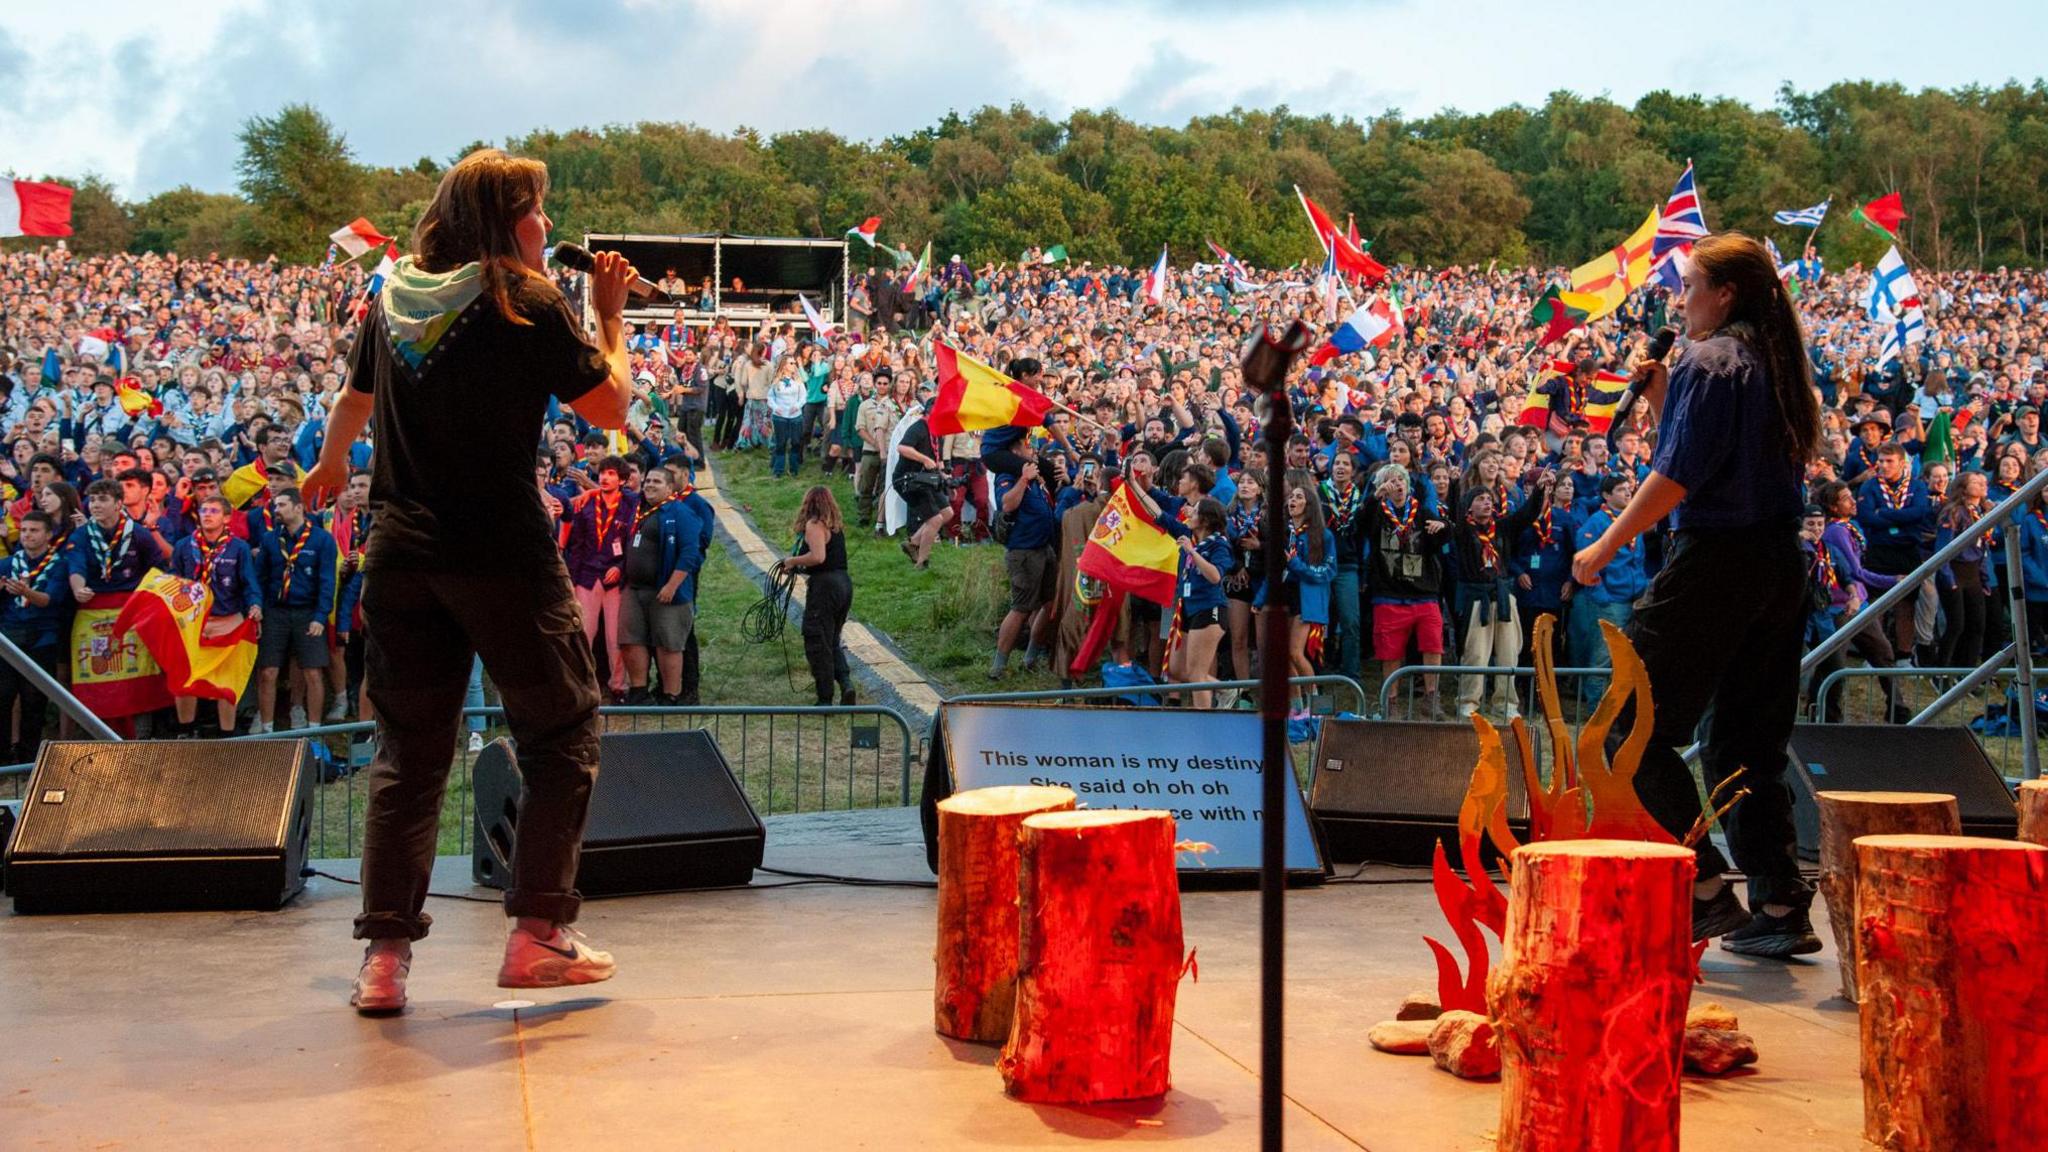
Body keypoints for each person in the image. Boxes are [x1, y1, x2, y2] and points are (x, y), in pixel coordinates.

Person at [305, 149, 633, 1014]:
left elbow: (350, 400)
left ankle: (383, 959)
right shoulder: (519, 298)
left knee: (409, 753)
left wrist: (332, 467)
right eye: (537, 211)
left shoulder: (394, 298)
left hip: (401, 554)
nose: (548, 228)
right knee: (562, 732)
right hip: (501, 555)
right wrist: (609, 317)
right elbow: (610, 409)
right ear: (502, 218)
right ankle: (538, 935)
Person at [1573, 231, 1825, 959]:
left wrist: (1605, 544)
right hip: (1777, 564)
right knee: (1745, 743)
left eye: (1690, 287)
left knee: (1628, 728)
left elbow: (1679, 481)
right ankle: (1778, 901)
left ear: (1726, 294)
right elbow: (1710, 457)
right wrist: (1661, 400)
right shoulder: (1772, 362)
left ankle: (1705, 889)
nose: (1680, 302)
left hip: (1716, 561)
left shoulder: (1709, 362)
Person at [168, 495, 259, 736]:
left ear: (227, 518)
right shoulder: (184, 546)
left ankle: (226, 733)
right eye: (204, 510)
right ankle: (185, 731)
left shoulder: (239, 548)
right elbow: (172, 581)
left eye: (214, 511)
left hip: (227, 620)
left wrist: (255, 605)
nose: (207, 514)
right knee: (186, 678)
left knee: (226, 681)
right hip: (193, 623)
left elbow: (249, 582)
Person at [251, 487, 337, 734]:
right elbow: (259, 577)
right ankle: (267, 730)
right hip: (275, 611)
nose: (276, 510)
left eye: (282, 505)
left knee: (312, 671)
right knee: (267, 671)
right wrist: (257, 605)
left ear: (299, 507)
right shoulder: (270, 540)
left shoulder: (321, 539)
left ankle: (314, 731)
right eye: (275, 506)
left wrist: (321, 616)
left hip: (308, 612)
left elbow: (327, 582)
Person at [618, 464, 705, 704]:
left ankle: (671, 694)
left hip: (667, 592)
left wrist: (672, 585)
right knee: (630, 640)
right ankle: (638, 691)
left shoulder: (680, 512)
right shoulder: (639, 509)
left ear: (670, 488)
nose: (649, 485)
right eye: (647, 481)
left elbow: (690, 553)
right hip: (634, 589)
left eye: (656, 482)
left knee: (668, 643)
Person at [558, 456, 637, 700]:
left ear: (622, 479)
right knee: (584, 633)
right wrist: (571, 580)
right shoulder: (587, 505)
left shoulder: (631, 504)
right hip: (588, 577)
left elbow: (632, 546)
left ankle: (618, 686)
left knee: (615, 637)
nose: (604, 477)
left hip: (615, 580)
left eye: (612, 473)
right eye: (603, 473)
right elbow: (577, 546)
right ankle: (582, 685)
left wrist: (621, 568)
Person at [1567, 473, 1645, 702]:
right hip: (1611, 601)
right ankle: (1595, 713)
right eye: (1620, 490)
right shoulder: (1597, 522)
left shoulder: (1632, 520)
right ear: (1606, 495)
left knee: (1626, 659)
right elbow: (1589, 562)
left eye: (1628, 488)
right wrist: (1603, 596)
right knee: (1603, 657)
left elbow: (1637, 560)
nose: (1628, 492)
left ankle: (1616, 711)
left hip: (1634, 598)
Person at [0, 511, 69, 761]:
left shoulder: (59, 564)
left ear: (48, 534)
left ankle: (30, 758)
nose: (28, 535)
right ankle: (4, 757)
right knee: (3, 697)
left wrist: (25, 592)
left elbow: (49, 600)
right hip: (8, 639)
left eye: (34, 530)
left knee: (33, 700)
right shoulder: (7, 564)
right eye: (25, 530)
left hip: (42, 638)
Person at [777, 485, 855, 705]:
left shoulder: (814, 524)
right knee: (832, 639)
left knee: (817, 639)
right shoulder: (835, 526)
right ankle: (846, 683)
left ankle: (825, 697)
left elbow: (818, 557)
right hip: (843, 584)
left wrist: (792, 561)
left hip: (825, 588)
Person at [989, 435, 1057, 679]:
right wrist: (1023, 479)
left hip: (1044, 547)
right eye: (1028, 446)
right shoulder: (1008, 476)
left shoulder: (1035, 475)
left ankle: (1030, 657)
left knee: (1049, 603)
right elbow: (1007, 505)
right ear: (1016, 451)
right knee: (1021, 608)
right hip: (1024, 551)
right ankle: (998, 666)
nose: (1033, 449)